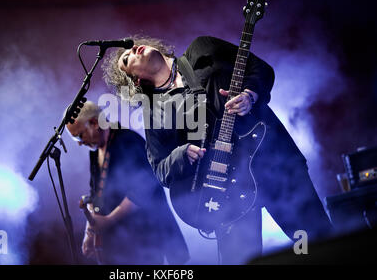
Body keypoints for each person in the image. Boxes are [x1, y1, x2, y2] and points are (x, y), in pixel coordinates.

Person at [102, 35, 333, 264]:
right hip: (225, 193)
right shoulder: (153, 112)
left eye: (132, 46)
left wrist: (250, 94)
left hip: (272, 162)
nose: (133, 50)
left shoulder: (202, 49)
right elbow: (160, 169)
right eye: (126, 57)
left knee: (320, 242)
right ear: (135, 80)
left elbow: (259, 68)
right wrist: (181, 155)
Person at [65, 101, 189, 265]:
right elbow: (95, 194)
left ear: (94, 123)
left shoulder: (128, 141)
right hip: (119, 243)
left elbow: (143, 191)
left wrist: (108, 220)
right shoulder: (95, 153)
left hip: (145, 238)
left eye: (79, 136)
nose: (80, 143)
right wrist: (90, 233)